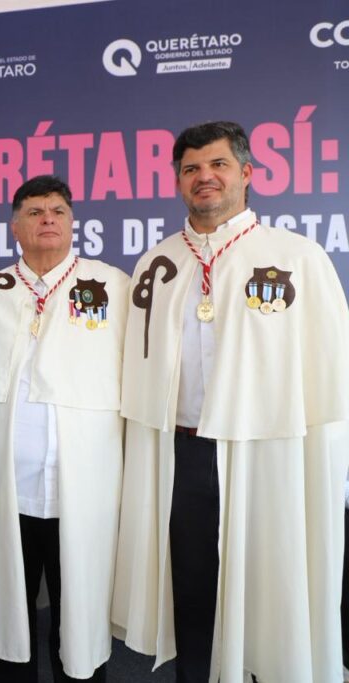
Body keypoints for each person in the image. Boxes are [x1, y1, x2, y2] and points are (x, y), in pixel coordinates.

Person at [111, 121, 349, 682]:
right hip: (183, 454)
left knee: (270, 590)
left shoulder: (297, 257)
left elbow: (330, 374)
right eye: (191, 169)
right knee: (190, 591)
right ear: (178, 181)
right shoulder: (157, 264)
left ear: (246, 173)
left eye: (218, 165)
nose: (205, 177)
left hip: (268, 454)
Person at [0, 176, 127, 682]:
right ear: (15, 227)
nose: (47, 219)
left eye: (57, 211)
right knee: (8, 616)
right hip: (7, 489)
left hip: (82, 489)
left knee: (77, 621)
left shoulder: (112, 286)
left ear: (73, 223)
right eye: (34, 212)